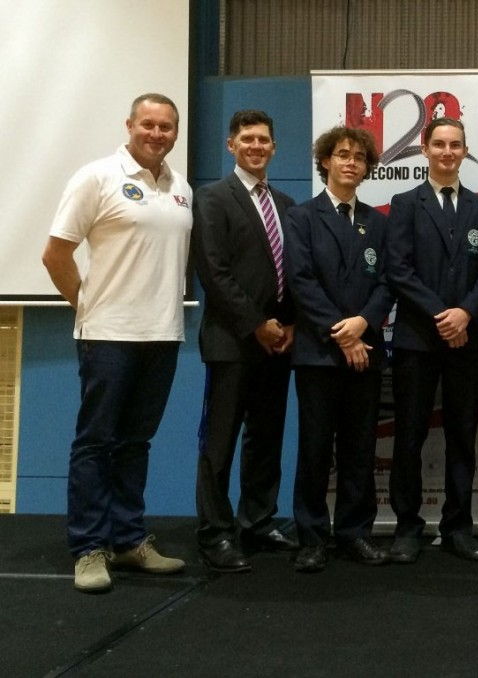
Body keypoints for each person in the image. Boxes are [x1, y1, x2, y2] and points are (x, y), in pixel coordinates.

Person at [41, 93, 191, 593]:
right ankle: (88, 548)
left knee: (135, 443)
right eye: (147, 124)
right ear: (129, 125)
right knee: (95, 444)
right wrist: (86, 306)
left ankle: (128, 540)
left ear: (175, 132)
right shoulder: (97, 177)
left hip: (163, 334)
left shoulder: (180, 187)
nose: (156, 133)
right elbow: (55, 254)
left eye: (166, 127)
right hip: (107, 335)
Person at [386, 117, 478, 563]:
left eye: (455, 145)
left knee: (462, 437)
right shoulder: (405, 203)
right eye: (439, 144)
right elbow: (398, 269)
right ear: (425, 149)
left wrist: (465, 312)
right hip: (418, 339)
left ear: (465, 151)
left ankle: (458, 527)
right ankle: (407, 528)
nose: (448, 152)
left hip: (467, 341)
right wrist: (441, 314)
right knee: (409, 436)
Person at [192, 109, 298, 573]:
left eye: (264, 140)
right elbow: (213, 272)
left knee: (266, 439)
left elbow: (292, 272)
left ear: (274, 147)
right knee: (220, 442)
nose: (257, 146)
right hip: (233, 341)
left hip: (278, 343)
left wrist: (289, 322)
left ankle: (257, 520)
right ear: (231, 145)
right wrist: (256, 322)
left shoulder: (288, 204)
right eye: (248, 139)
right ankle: (215, 534)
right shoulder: (212, 198)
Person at [285, 127, 393, 573]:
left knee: (360, 447)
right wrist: (342, 333)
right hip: (319, 353)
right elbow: (301, 281)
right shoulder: (302, 218)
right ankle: (311, 537)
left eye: (359, 157)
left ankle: (354, 532)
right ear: (325, 162)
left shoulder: (378, 222)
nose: (351, 162)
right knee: (314, 448)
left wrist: (363, 324)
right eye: (342, 154)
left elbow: (388, 282)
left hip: (366, 350)